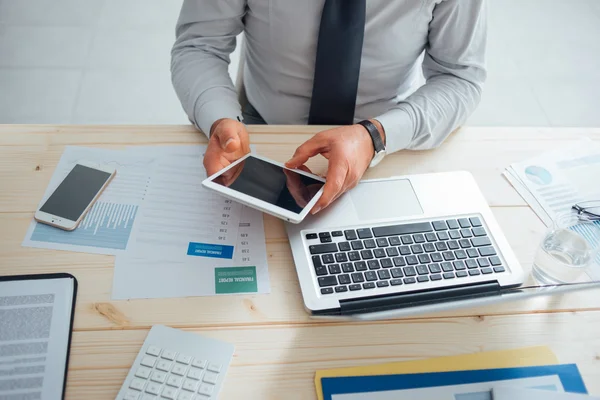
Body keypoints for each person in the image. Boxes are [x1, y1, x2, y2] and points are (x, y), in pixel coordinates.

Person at [171, 0, 487, 214]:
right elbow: (200, 45)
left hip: (389, 139)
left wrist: (376, 136)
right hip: (262, 132)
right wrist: (218, 117)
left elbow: (459, 76)